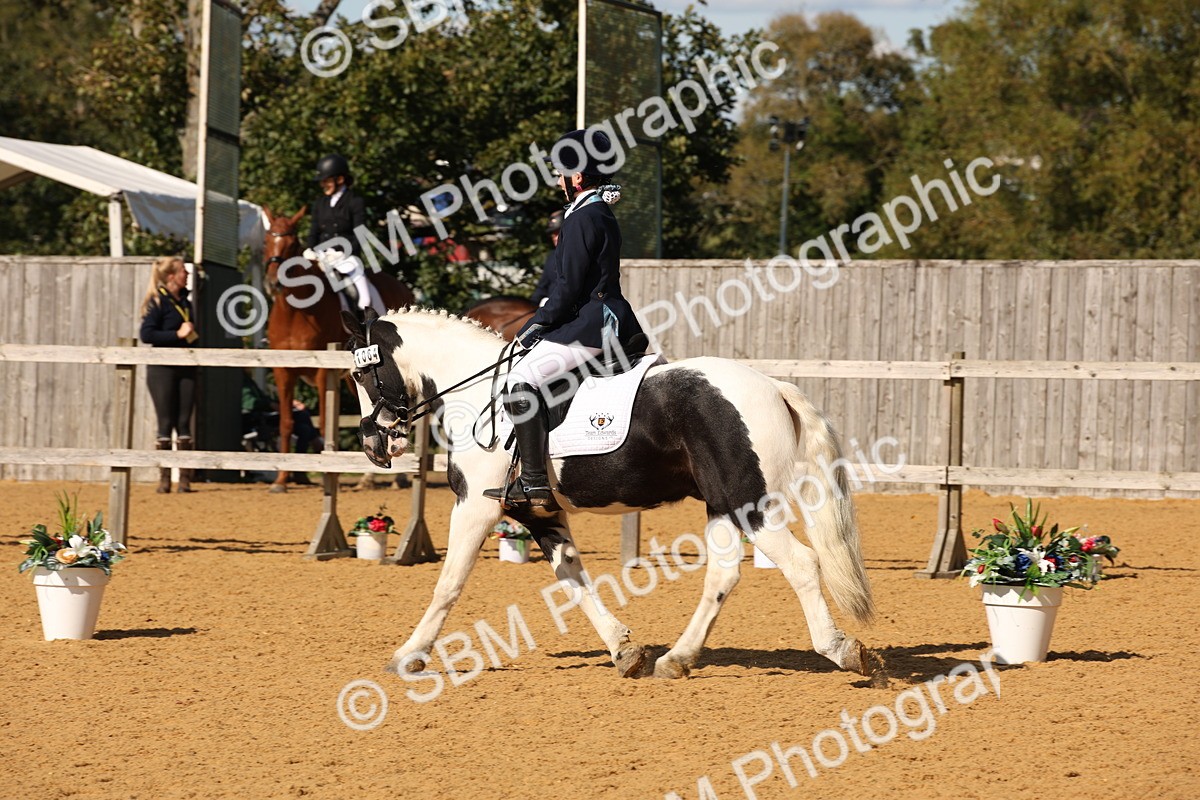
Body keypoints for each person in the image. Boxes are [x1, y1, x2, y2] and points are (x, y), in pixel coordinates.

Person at [484, 129, 646, 509]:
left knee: (520, 378)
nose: (558, 181)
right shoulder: (596, 212)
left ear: (577, 177)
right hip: (602, 317)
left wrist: (536, 325)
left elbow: (569, 287)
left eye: (561, 174)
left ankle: (533, 481)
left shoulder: (582, 216)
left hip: (592, 323)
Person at [139, 256, 198, 493]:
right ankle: (164, 478)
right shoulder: (157, 302)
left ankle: (184, 478)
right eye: (184, 271)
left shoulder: (186, 302)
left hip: (186, 367)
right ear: (172, 276)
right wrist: (177, 335)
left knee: (184, 423)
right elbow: (147, 334)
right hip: (162, 369)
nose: (187, 274)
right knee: (165, 422)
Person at [307, 153, 374, 320]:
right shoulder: (320, 204)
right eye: (322, 182)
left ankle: (363, 328)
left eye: (326, 181)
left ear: (340, 179)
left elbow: (360, 233)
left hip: (347, 260)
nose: (323, 185)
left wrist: (346, 252)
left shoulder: (354, 201)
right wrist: (309, 249)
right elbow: (314, 231)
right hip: (322, 257)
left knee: (365, 300)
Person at [529, 210, 563, 306]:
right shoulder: (552, 256)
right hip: (550, 306)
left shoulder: (578, 255)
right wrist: (532, 305)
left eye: (558, 232)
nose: (555, 237)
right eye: (553, 234)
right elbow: (543, 286)